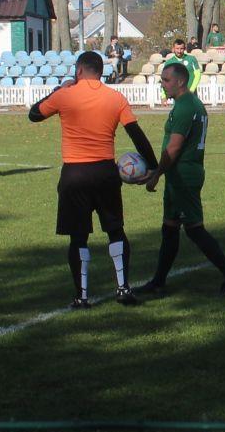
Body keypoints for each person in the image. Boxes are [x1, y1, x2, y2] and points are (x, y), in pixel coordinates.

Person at [29, 50, 160, 309]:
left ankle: (82, 296)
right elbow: (136, 134)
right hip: (105, 173)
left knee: (78, 238)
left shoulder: (65, 95)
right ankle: (123, 288)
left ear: (78, 71)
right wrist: (154, 167)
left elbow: (34, 114)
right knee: (115, 230)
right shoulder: (115, 97)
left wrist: (57, 90)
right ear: (101, 72)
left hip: (75, 174)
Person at [138, 61, 225, 299]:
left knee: (195, 230)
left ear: (180, 81)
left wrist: (156, 175)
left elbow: (174, 147)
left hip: (183, 175)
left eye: (166, 80)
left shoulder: (186, 106)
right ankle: (158, 282)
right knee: (170, 228)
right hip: (182, 173)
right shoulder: (190, 104)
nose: (163, 84)